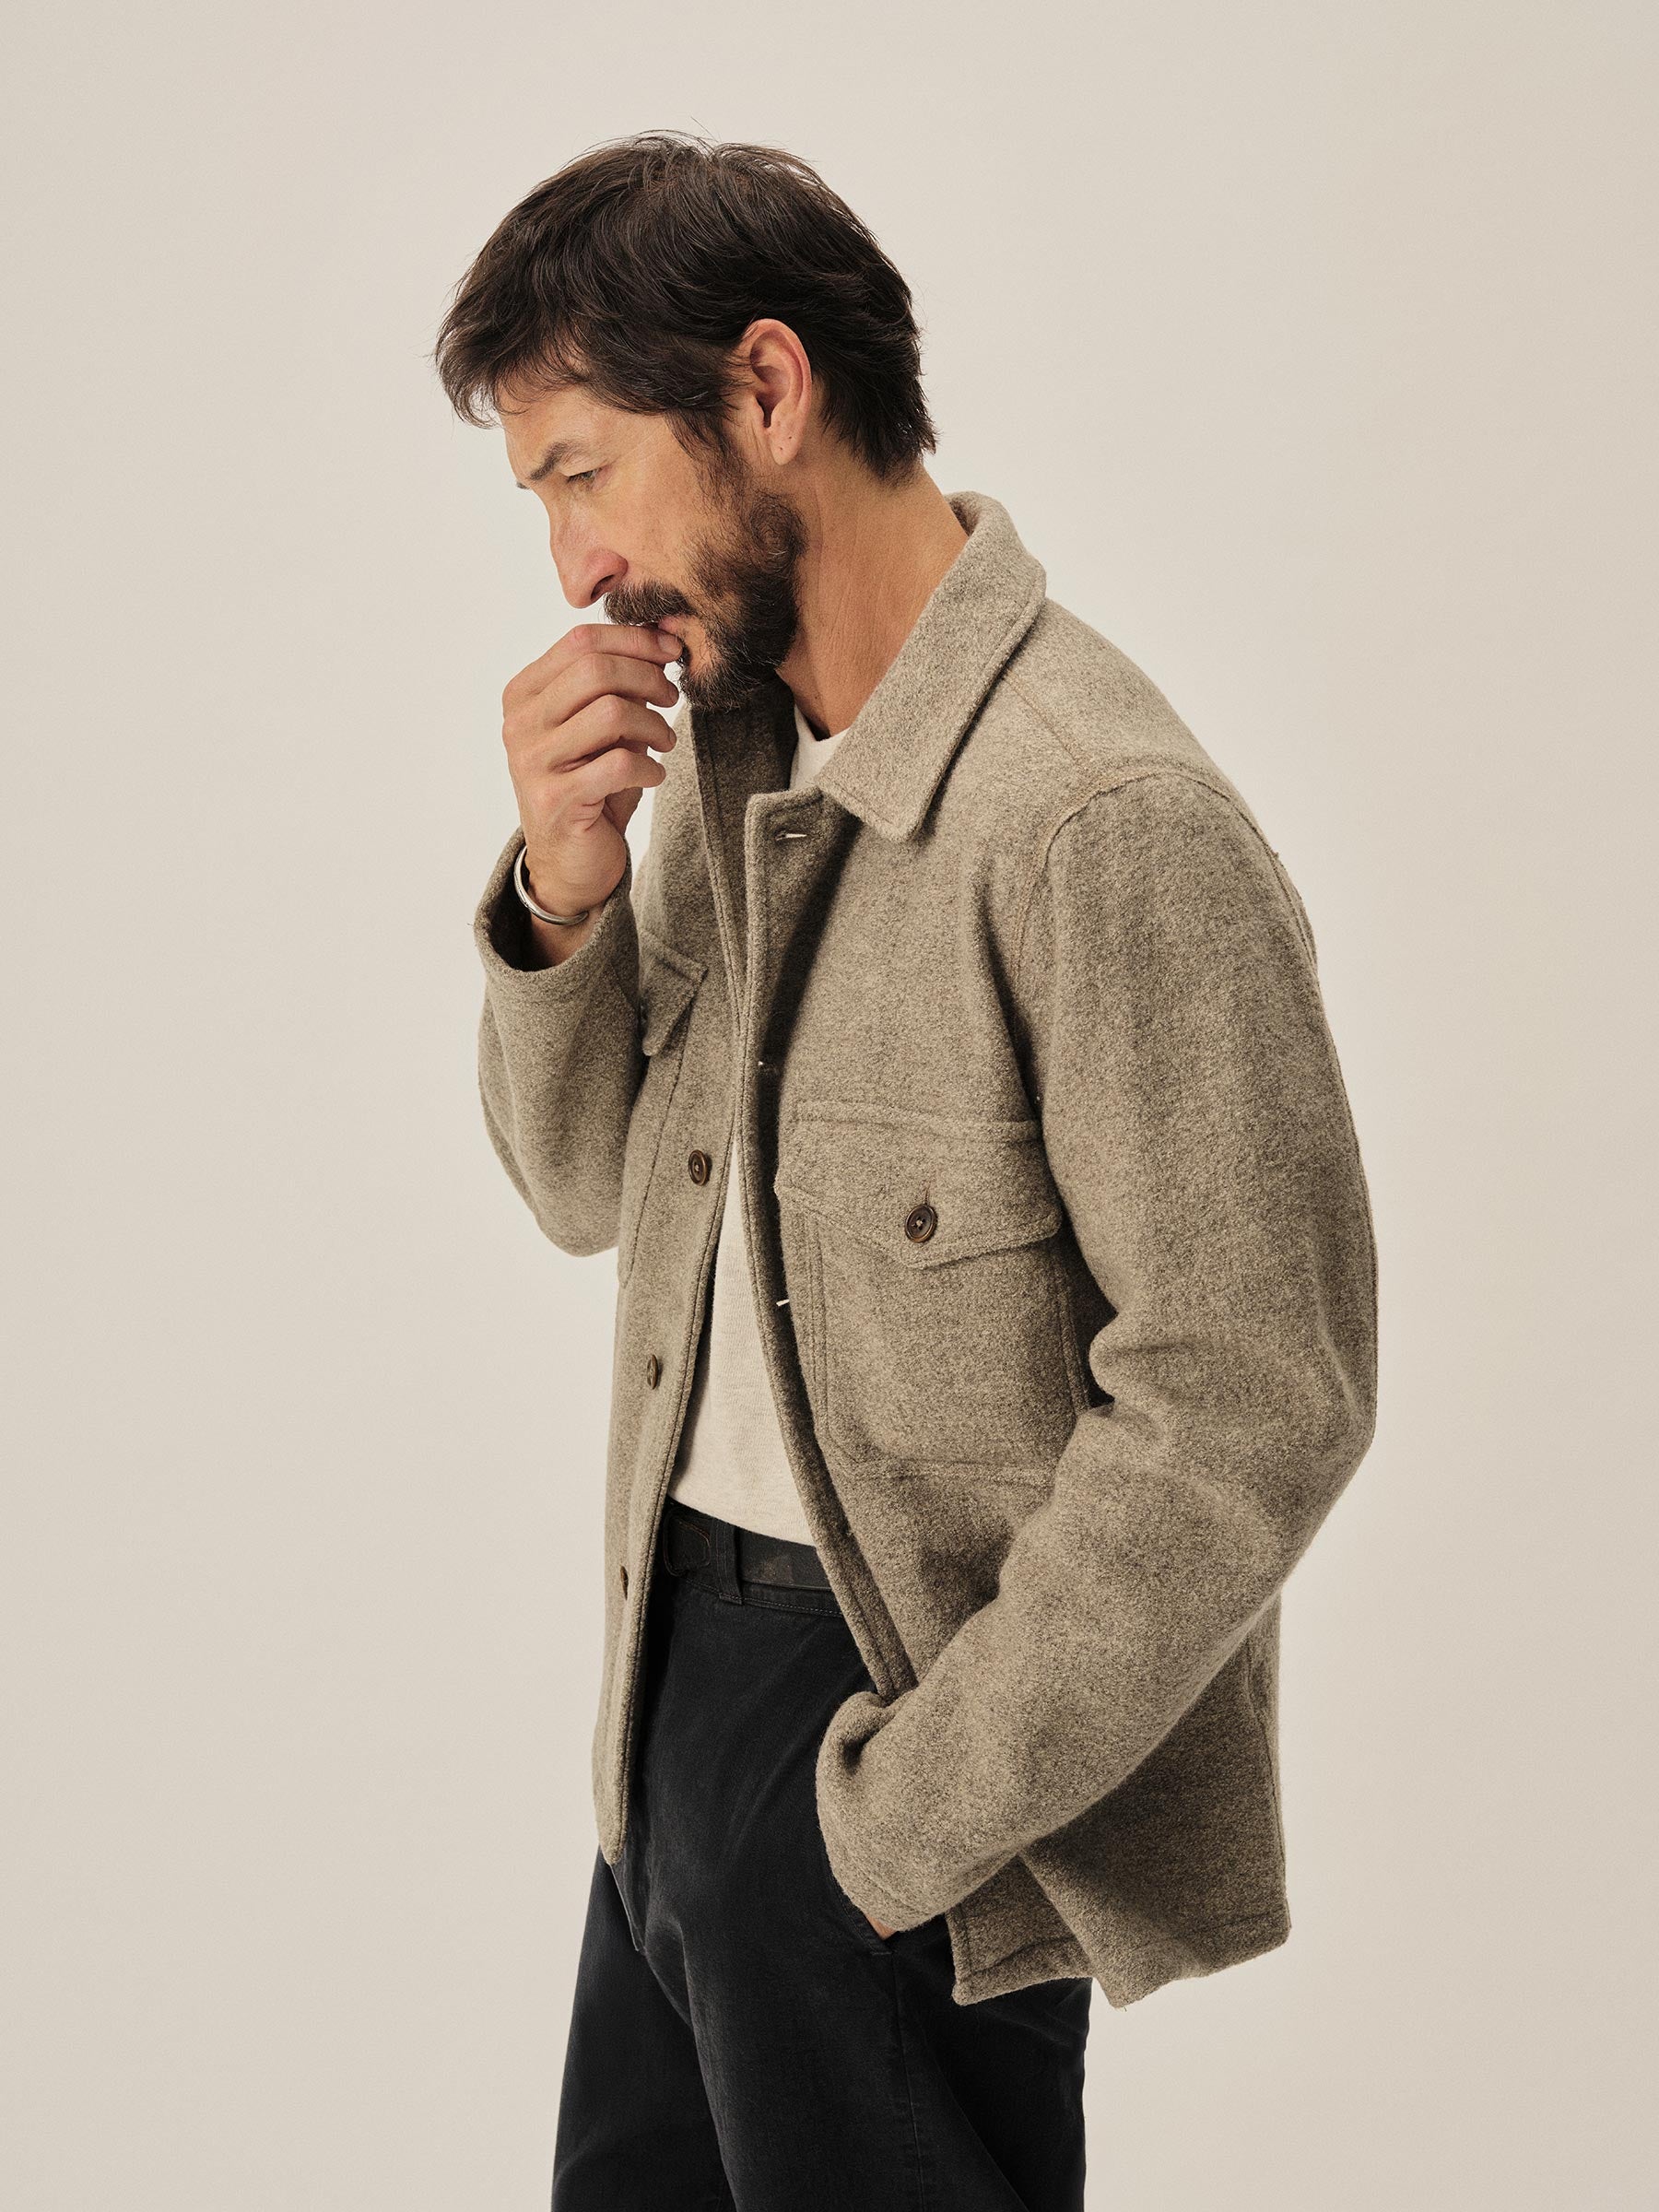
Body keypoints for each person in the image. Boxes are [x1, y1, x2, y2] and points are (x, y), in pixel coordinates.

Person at [433, 130, 1378, 2212]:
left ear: (767, 388)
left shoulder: (1098, 816)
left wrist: (896, 1826)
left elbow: (1256, 1397)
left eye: (584, 473)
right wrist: (563, 892)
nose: (575, 569)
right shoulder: (736, 766)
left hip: (892, 1772)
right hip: (667, 1714)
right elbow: (584, 1189)